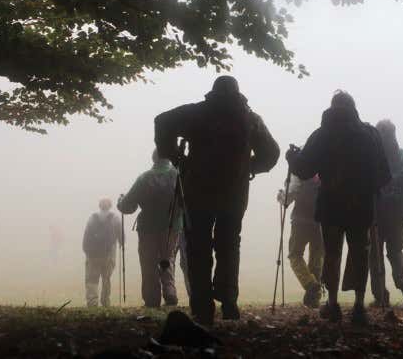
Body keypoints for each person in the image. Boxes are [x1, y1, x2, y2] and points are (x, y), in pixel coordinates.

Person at [155, 75, 280, 326]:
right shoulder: (249, 118)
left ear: (213, 92)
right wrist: (249, 167)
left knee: (198, 247)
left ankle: (203, 307)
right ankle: (229, 302)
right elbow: (272, 153)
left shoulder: (198, 113)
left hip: (198, 189)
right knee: (229, 244)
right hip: (234, 193)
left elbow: (162, 121)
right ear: (238, 92)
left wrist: (174, 156)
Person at [287, 91, 390, 326]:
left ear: (332, 108)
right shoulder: (370, 134)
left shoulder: (322, 134)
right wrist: (366, 189)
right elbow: (384, 175)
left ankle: (332, 304)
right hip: (361, 206)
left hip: (330, 205)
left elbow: (303, 171)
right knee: (360, 253)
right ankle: (359, 306)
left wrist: (292, 158)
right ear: (354, 107)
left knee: (332, 254)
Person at [119, 149, 182, 308]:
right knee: (167, 258)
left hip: (147, 227)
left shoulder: (144, 178)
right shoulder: (178, 176)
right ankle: (170, 291)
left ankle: (152, 299)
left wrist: (120, 201)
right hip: (172, 226)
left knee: (148, 262)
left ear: (153, 159)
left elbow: (128, 206)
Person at [369, 119, 403, 307]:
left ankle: (381, 295)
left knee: (375, 254)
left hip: (376, 213)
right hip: (398, 212)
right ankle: (402, 280)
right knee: (395, 249)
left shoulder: (372, 156)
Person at [277, 174, 324, 308]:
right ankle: (313, 299)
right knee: (316, 258)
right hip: (320, 220)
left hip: (300, 220)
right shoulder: (325, 165)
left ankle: (311, 284)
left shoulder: (300, 168)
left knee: (294, 255)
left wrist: (281, 196)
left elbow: (289, 195)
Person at [82, 197, 122, 307]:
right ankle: (105, 301)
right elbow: (122, 238)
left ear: (100, 206)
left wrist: (87, 251)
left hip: (93, 255)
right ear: (110, 206)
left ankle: (92, 302)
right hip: (109, 254)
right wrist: (121, 242)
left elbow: (86, 236)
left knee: (91, 279)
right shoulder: (116, 218)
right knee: (106, 278)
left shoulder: (92, 218)